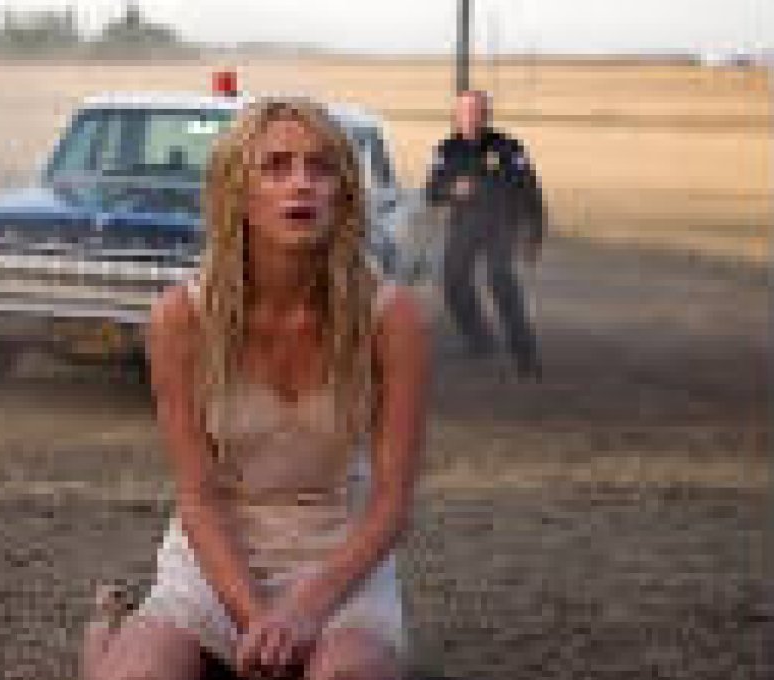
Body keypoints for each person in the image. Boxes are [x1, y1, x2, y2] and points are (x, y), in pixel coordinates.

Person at [82, 98, 431, 680]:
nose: (302, 183)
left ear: (344, 194)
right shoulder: (181, 318)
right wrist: (257, 621)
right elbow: (198, 497)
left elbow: (392, 504)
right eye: (276, 166)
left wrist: (304, 611)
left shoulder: (392, 318)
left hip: (338, 562)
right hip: (216, 562)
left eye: (321, 167)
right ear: (236, 192)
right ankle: (103, 637)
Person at [424, 89, 545, 381]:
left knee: (500, 280)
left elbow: (529, 187)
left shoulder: (508, 146)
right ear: (456, 115)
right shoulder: (446, 149)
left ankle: (526, 357)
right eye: (464, 112)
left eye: (476, 111)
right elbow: (432, 191)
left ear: (487, 114)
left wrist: (534, 233)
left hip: (502, 223)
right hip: (464, 223)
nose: (470, 117)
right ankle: (480, 340)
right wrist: (451, 189)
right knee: (453, 280)